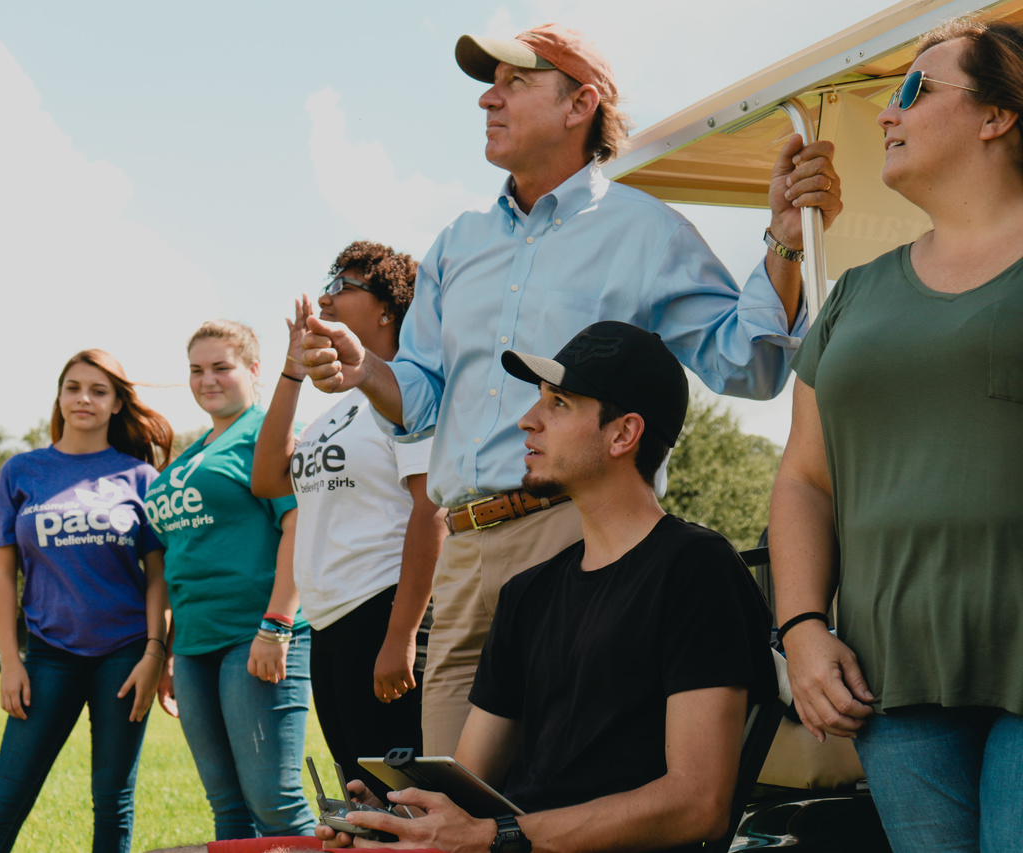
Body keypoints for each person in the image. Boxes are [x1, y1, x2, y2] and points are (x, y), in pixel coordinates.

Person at [302, 23, 842, 753]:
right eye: (489, 83)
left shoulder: (646, 230)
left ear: (580, 102)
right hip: (461, 553)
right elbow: (423, 401)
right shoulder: (456, 242)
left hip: (577, 538)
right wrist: (366, 369)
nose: (488, 99)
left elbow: (747, 364)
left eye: (514, 82)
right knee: (450, 798)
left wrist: (780, 243)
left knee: (564, 786)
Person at [316, 321, 776, 853]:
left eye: (559, 404)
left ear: (623, 434)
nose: (526, 421)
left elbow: (698, 805)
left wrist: (496, 837)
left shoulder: (695, 568)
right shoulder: (527, 594)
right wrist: (399, 825)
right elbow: (470, 792)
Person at [769, 18, 1023, 853]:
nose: (887, 113)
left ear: (997, 115)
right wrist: (803, 627)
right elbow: (805, 478)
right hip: (893, 684)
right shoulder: (853, 294)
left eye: (915, 89)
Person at [252, 242, 446, 794]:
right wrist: (292, 371)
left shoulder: (408, 394)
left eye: (345, 285)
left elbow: (431, 511)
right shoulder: (335, 410)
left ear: (387, 309)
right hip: (330, 624)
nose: (327, 295)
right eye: (327, 281)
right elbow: (268, 480)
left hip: (384, 613)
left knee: (403, 799)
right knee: (361, 797)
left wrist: (403, 635)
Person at [0, 349, 172, 853]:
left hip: (124, 656)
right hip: (48, 657)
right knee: (4, 802)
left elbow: (158, 578)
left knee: (112, 803)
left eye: (99, 391)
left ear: (118, 404)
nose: (84, 399)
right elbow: (2, 573)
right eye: (74, 387)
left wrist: (155, 653)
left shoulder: (140, 478)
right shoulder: (22, 471)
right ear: (59, 397)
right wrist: (11, 661)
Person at [145, 320, 317, 839]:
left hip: (256, 635)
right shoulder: (191, 454)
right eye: (197, 370)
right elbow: (182, 560)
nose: (207, 380)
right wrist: (173, 651)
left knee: (276, 804)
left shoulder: (268, 434)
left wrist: (277, 624)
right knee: (228, 809)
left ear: (254, 370)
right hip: (195, 649)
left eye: (222, 367)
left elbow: (297, 525)